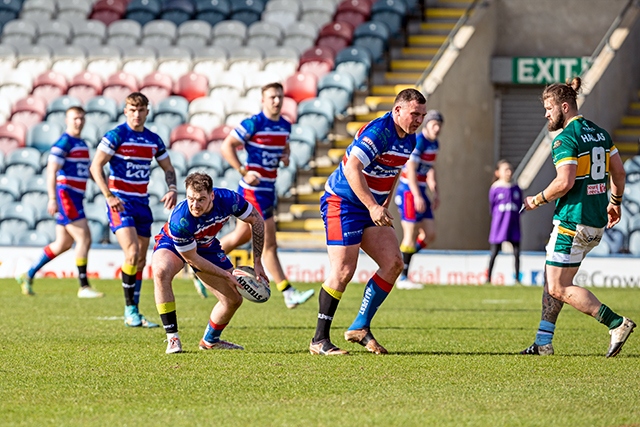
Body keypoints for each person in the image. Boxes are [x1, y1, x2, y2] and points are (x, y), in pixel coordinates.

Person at [521, 77, 635, 357]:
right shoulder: (600, 133)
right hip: (594, 222)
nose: (546, 114)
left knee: (558, 286)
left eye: (549, 108)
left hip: (573, 221)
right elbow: (619, 172)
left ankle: (616, 323)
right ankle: (543, 342)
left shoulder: (565, 139)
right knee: (554, 281)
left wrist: (536, 200)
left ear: (564, 106)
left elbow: (564, 182)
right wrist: (615, 202)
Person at [310, 88, 427, 356]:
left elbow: (395, 170)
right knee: (343, 271)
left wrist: (384, 202)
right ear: (397, 110)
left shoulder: (409, 138)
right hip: (343, 202)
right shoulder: (379, 131)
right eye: (414, 114)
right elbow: (352, 167)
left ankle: (360, 326)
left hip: (371, 206)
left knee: (393, 263)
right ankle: (319, 340)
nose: (419, 119)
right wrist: (373, 205)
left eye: (422, 114)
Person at [218, 82, 314, 309]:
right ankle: (288, 292)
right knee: (269, 244)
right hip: (253, 191)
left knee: (241, 236)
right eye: (272, 97)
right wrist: (243, 170)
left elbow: (284, 146)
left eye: (280, 97)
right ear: (263, 100)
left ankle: (202, 263)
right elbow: (227, 146)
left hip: (269, 189)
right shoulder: (254, 123)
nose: (276, 101)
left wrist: (286, 156)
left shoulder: (284, 125)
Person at [152, 172, 268, 354]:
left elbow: (257, 220)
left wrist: (258, 261)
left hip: (206, 245)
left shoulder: (229, 200)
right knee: (160, 271)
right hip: (174, 243)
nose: (194, 205)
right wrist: (226, 275)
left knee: (233, 300)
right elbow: (192, 259)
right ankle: (172, 338)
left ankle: (210, 341)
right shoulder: (180, 220)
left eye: (200, 199)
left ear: (212, 195)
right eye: (191, 198)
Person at [90, 92, 178, 328]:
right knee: (131, 252)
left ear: (147, 112)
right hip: (121, 202)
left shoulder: (153, 140)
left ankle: (135, 312)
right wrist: (108, 196)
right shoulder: (116, 135)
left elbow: (168, 167)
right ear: (125, 111)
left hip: (142, 203)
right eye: (132, 109)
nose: (136, 114)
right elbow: (96, 166)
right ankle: (130, 310)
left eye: (141, 110)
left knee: (140, 259)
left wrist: (172, 188)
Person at [16, 106, 103, 298]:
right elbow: (51, 171)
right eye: (74, 118)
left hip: (76, 197)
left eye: (81, 118)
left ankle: (28, 274)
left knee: (62, 244)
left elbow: (84, 171)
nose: (78, 122)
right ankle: (83, 286)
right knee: (84, 238)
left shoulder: (81, 143)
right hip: (67, 196)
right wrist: (53, 198)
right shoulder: (64, 142)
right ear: (67, 120)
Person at [394, 110, 443, 289]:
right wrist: (416, 195)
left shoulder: (435, 143)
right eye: (433, 124)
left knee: (429, 234)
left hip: (421, 190)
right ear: (427, 124)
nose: (437, 128)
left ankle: (402, 260)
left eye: (439, 125)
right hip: (409, 190)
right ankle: (403, 277)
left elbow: (430, 168)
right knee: (410, 233)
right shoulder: (419, 141)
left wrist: (435, 191)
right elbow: (412, 169)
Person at [486, 159, 522, 284]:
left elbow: (520, 206)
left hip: (513, 225)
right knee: (494, 251)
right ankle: (488, 278)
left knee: (517, 252)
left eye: (510, 169)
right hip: (499, 225)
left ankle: (517, 278)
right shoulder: (495, 188)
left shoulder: (516, 187)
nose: (509, 172)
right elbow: (492, 206)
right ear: (498, 172)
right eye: (505, 169)